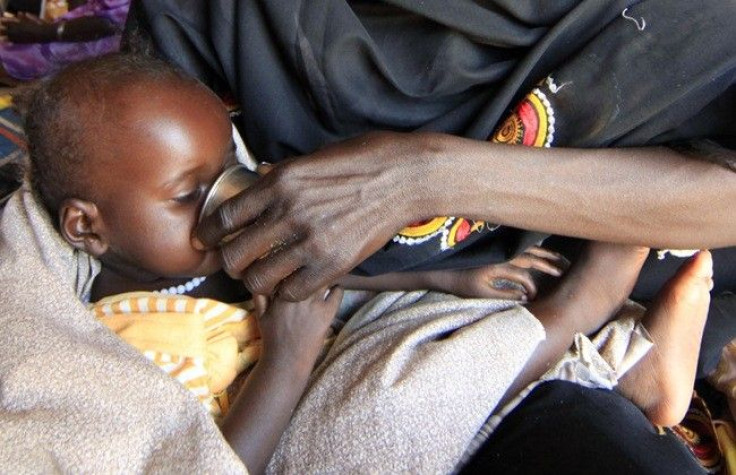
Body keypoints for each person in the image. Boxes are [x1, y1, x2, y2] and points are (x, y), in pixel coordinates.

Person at [12, 53, 709, 473]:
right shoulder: (111, 330)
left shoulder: (208, 246)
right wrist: (286, 361)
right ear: (85, 227)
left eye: (230, 165)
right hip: (288, 431)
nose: (228, 198)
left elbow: (332, 287)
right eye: (190, 192)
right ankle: (575, 319)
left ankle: (623, 356)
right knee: (391, 406)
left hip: (326, 360)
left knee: (426, 330)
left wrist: (440, 277)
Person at [0, 0, 130, 84]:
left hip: (92, 51)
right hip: (71, 33)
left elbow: (109, 23)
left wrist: (43, 31)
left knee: (13, 56)